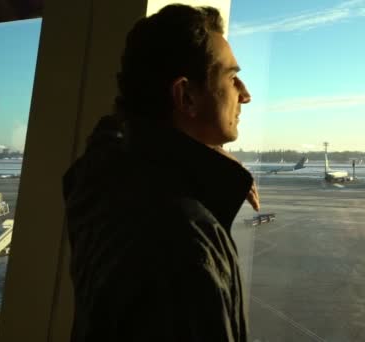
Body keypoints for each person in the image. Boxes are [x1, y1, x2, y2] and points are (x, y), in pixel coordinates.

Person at [62, 4, 258, 341]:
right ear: (185, 96)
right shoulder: (185, 242)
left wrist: (205, 159)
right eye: (230, 77)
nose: (245, 94)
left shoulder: (102, 177)